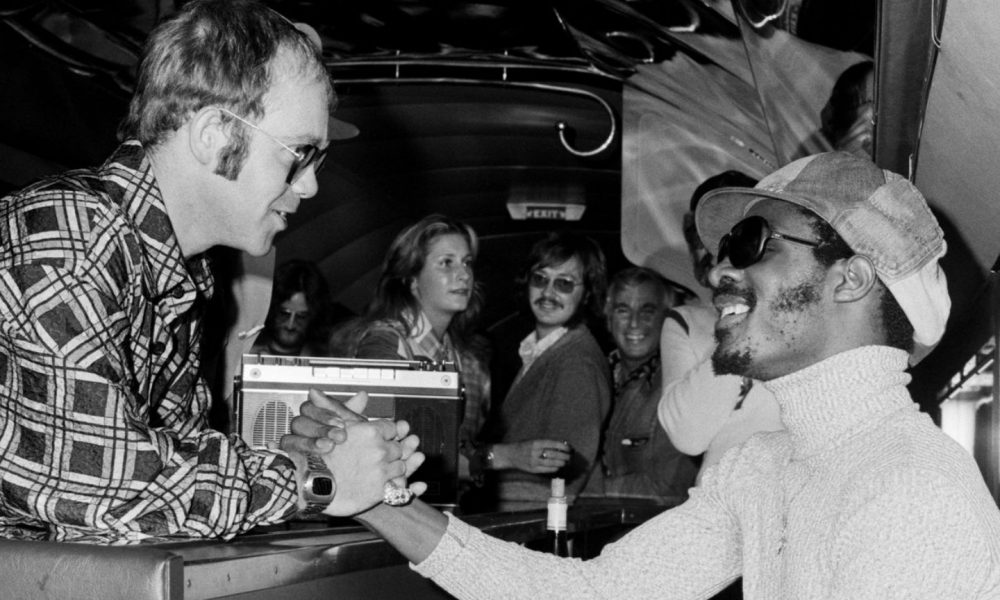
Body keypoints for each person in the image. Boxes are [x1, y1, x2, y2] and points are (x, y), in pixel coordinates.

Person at [286, 151, 1000, 598]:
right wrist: (376, 503)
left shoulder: (911, 489)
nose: (720, 267)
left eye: (751, 242)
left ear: (848, 280)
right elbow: (597, 594)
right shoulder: (760, 468)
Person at [0, 0, 420, 542]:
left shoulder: (183, 272)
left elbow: (170, 466)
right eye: (299, 153)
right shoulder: (66, 239)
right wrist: (315, 481)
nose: (311, 185)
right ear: (214, 135)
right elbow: (104, 485)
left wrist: (292, 458)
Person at [464, 231, 612, 510]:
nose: (548, 293)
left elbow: (562, 482)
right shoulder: (542, 352)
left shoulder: (577, 362)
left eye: (565, 284)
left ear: (587, 293)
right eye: (540, 279)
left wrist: (479, 495)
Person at [659, 170, 782, 482]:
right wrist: (737, 323)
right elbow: (687, 435)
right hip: (716, 502)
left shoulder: (795, 312)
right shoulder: (685, 322)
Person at [351, 214, 492, 487]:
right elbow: (378, 447)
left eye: (467, 263)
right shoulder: (386, 343)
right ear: (411, 278)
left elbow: (460, 445)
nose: (463, 274)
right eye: (446, 263)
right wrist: (499, 458)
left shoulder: (462, 356)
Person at [583, 267, 698, 504]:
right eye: (623, 310)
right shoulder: (592, 374)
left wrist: (585, 492)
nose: (634, 323)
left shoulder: (677, 386)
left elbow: (669, 488)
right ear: (608, 316)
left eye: (647, 311)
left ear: (666, 318)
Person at [251, 258, 333, 356]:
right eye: (284, 314)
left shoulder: (325, 357)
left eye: (301, 317)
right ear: (271, 310)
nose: (290, 325)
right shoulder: (245, 351)